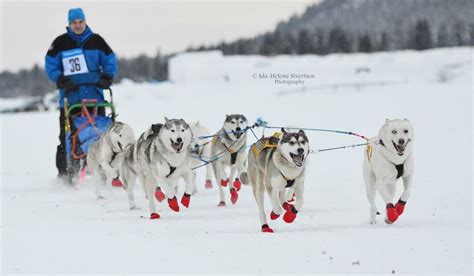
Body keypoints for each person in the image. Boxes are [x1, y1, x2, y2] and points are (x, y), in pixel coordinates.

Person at [45, 8, 118, 179]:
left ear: (85, 22)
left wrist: (108, 76)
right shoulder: (60, 43)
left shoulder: (97, 41)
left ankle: (104, 171)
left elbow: (110, 59)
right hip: (70, 98)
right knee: (67, 137)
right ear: (69, 24)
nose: (78, 25)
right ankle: (65, 175)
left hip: (95, 96)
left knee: (100, 133)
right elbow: (50, 64)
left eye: (80, 22)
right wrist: (59, 79)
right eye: (74, 23)